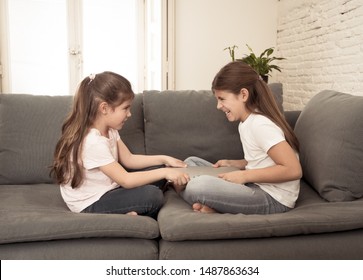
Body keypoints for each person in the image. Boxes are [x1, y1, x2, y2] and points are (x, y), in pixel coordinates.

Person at [50, 71, 189, 218]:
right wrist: (166, 173)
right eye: (125, 108)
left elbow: (129, 159)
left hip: (109, 188)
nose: (129, 114)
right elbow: (126, 180)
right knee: (153, 195)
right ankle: (129, 214)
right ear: (104, 108)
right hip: (91, 202)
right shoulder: (92, 142)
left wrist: (164, 159)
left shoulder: (110, 130)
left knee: (160, 170)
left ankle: (130, 210)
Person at [179, 61, 302, 214]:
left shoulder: (261, 125)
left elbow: (293, 169)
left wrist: (244, 175)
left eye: (222, 99)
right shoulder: (246, 122)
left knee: (197, 186)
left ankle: (202, 198)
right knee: (189, 163)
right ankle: (213, 202)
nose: (218, 106)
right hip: (255, 184)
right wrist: (236, 164)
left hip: (273, 197)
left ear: (243, 94)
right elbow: (263, 160)